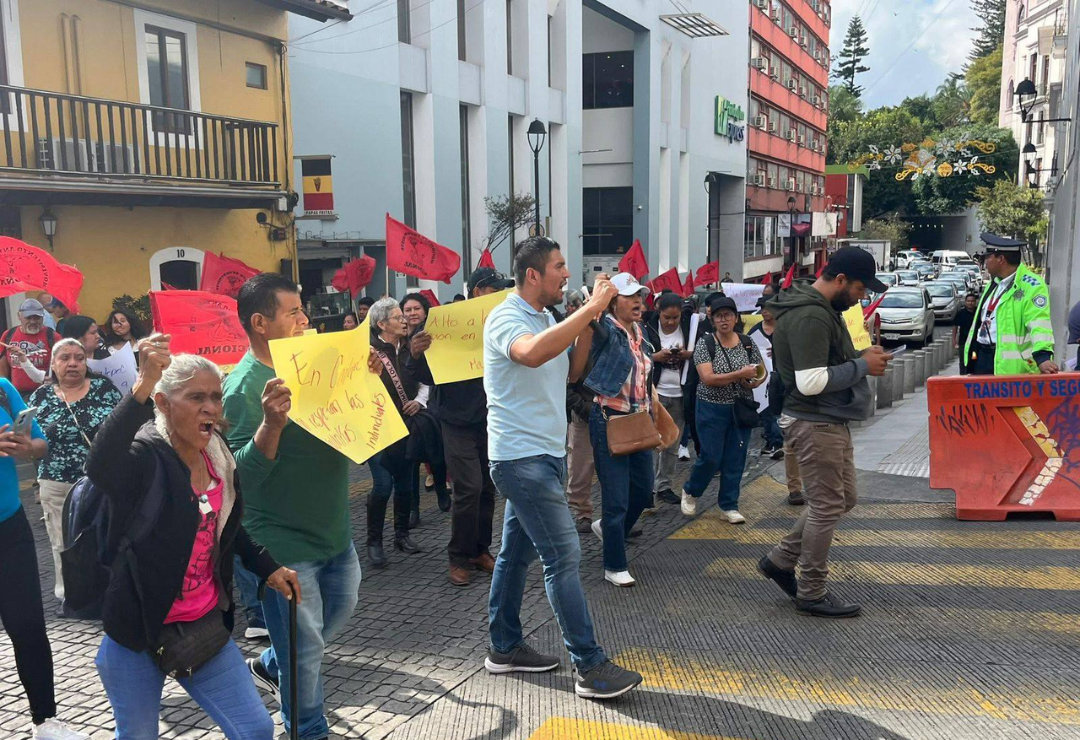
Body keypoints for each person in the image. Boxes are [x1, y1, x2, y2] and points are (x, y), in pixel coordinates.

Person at [87, 337, 299, 740]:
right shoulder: (144, 455)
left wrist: (268, 567)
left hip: (202, 628)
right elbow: (100, 465)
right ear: (164, 403)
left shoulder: (218, 454)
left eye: (216, 397)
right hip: (137, 632)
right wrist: (143, 383)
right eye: (196, 397)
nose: (211, 408)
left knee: (255, 729)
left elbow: (226, 526)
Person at [483, 236, 642, 699]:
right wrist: (590, 307)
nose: (567, 274)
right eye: (559, 266)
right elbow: (530, 353)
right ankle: (589, 666)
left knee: (515, 555)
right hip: (519, 458)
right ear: (533, 275)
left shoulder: (549, 316)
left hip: (546, 455)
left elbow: (571, 373)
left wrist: (589, 320)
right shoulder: (506, 317)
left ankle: (504, 647)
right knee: (564, 556)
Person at [223, 274, 362, 740]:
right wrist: (271, 424)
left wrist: (366, 385)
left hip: (334, 532)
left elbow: (355, 427)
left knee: (323, 628)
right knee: (305, 654)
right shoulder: (243, 385)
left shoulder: (319, 362)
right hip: (281, 544)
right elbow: (240, 476)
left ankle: (267, 662)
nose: (306, 320)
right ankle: (307, 728)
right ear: (260, 323)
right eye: (294, 313)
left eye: (304, 310)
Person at [758, 247, 891, 619]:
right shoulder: (810, 316)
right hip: (815, 421)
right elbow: (810, 381)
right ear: (841, 280)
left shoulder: (822, 310)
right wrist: (863, 366)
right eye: (861, 289)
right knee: (828, 505)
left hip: (828, 420)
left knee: (842, 498)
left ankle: (781, 561)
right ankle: (812, 590)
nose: (862, 297)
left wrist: (862, 361)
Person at [406, 267, 514, 586]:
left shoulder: (500, 322)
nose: (499, 294)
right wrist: (415, 354)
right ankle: (458, 555)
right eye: (494, 289)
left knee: (488, 485)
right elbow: (425, 376)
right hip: (455, 419)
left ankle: (481, 550)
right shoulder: (443, 323)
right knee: (468, 486)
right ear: (479, 291)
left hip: (490, 417)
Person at [0, 373, 88, 740]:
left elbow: (41, 443)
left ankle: (46, 722)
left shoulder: (3, 389)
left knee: (29, 627)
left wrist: (25, 446)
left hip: (9, 525)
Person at [569, 273, 655, 587]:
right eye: (630, 296)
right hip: (608, 421)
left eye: (640, 296)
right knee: (616, 498)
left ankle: (609, 528)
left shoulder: (641, 332)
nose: (638, 302)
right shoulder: (605, 329)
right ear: (614, 301)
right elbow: (578, 366)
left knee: (644, 491)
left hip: (639, 420)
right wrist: (594, 303)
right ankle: (614, 564)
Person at [28, 339, 122, 603]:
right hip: (56, 482)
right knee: (62, 543)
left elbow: (123, 427)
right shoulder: (40, 398)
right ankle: (69, 596)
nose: (72, 363)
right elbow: (33, 442)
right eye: (65, 358)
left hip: (100, 482)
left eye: (79, 358)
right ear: (54, 364)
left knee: (103, 537)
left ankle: (107, 592)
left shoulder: (104, 389)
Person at [367, 298, 446, 559]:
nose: (405, 320)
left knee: (404, 484)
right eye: (398, 317)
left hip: (408, 425)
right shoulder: (368, 351)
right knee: (381, 485)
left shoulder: (411, 346)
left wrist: (419, 401)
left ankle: (401, 535)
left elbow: (427, 379)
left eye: (404, 316)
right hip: (377, 429)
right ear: (381, 324)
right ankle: (373, 541)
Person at [679, 296, 766, 525]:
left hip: (739, 408)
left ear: (736, 318)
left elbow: (760, 371)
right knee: (710, 457)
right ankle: (691, 490)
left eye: (728, 315)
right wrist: (740, 375)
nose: (724, 319)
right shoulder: (705, 343)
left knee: (736, 458)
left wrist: (753, 381)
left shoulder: (747, 342)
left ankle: (729, 504)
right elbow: (708, 378)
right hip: (711, 408)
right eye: (719, 316)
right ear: (712, 319)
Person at [964, 234, 1057, 375]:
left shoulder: (1032, 286)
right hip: (982, 359)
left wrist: (1042, 356)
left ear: (1000, 259)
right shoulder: (994, 284)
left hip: (1012, 367)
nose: (985, 262)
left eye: (988, 257)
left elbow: (1039, 324)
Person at [644, 293, 697, 506]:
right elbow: (638, 355)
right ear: (659, 312)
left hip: (680, 392)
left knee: (672, 444)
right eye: (667, 317)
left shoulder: (689, 328)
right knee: (649, 443)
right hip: (655, 392)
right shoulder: (647, 328)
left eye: (675, 317)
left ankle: (664, 485)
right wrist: (655, 357)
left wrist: (686, 354)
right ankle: (646, 488)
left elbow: (697, 352)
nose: (671, 321)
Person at [398, 292, 449, 518]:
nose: (412, 314)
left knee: (433, 451)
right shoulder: (398, 342)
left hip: (427, 406)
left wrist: (419, 401)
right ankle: (413, 508)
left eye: (416, 309)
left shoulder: (431, 336)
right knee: (408, 460)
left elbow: (429, 376)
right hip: (401, 409)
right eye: (407, 310)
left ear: (425, 311)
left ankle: (441, 489)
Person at [563, 289, 597, 533]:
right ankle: (582, 512)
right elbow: (565, 381)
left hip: (613, 410)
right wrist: (583, 407)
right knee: (581, 466)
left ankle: (618, 514)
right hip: (583, 410)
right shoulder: (566, 335)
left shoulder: (614, 332)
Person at [748, 296, 785, 460]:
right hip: (764, 381)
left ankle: (779, 442)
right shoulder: (755, 332)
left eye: (767, 307)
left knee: (780, 411)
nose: (764, 311)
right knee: (766, 412)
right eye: (761, 308)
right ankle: (773, 442)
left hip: (784, 377)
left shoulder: (785, 328)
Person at [0, 299, 59, 399]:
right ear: (19, 316)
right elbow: (2, 367)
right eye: (28, 318)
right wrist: (4, 392)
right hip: (16, 395)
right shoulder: (8, 335)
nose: (33, 321)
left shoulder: (53, 336)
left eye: (37, 318)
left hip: (45, 395)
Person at [952, 293, 979, 375]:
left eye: (972, 301)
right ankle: (963, 376)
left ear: (975, 302)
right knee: (963, 360)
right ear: (965, 302)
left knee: (974, 358)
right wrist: (954, 339)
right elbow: (955, 326)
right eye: (968, 301)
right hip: (963, 342)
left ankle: (974, 375)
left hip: (976, 342)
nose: (970, 303)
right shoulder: (961, 313)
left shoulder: (979, 313)